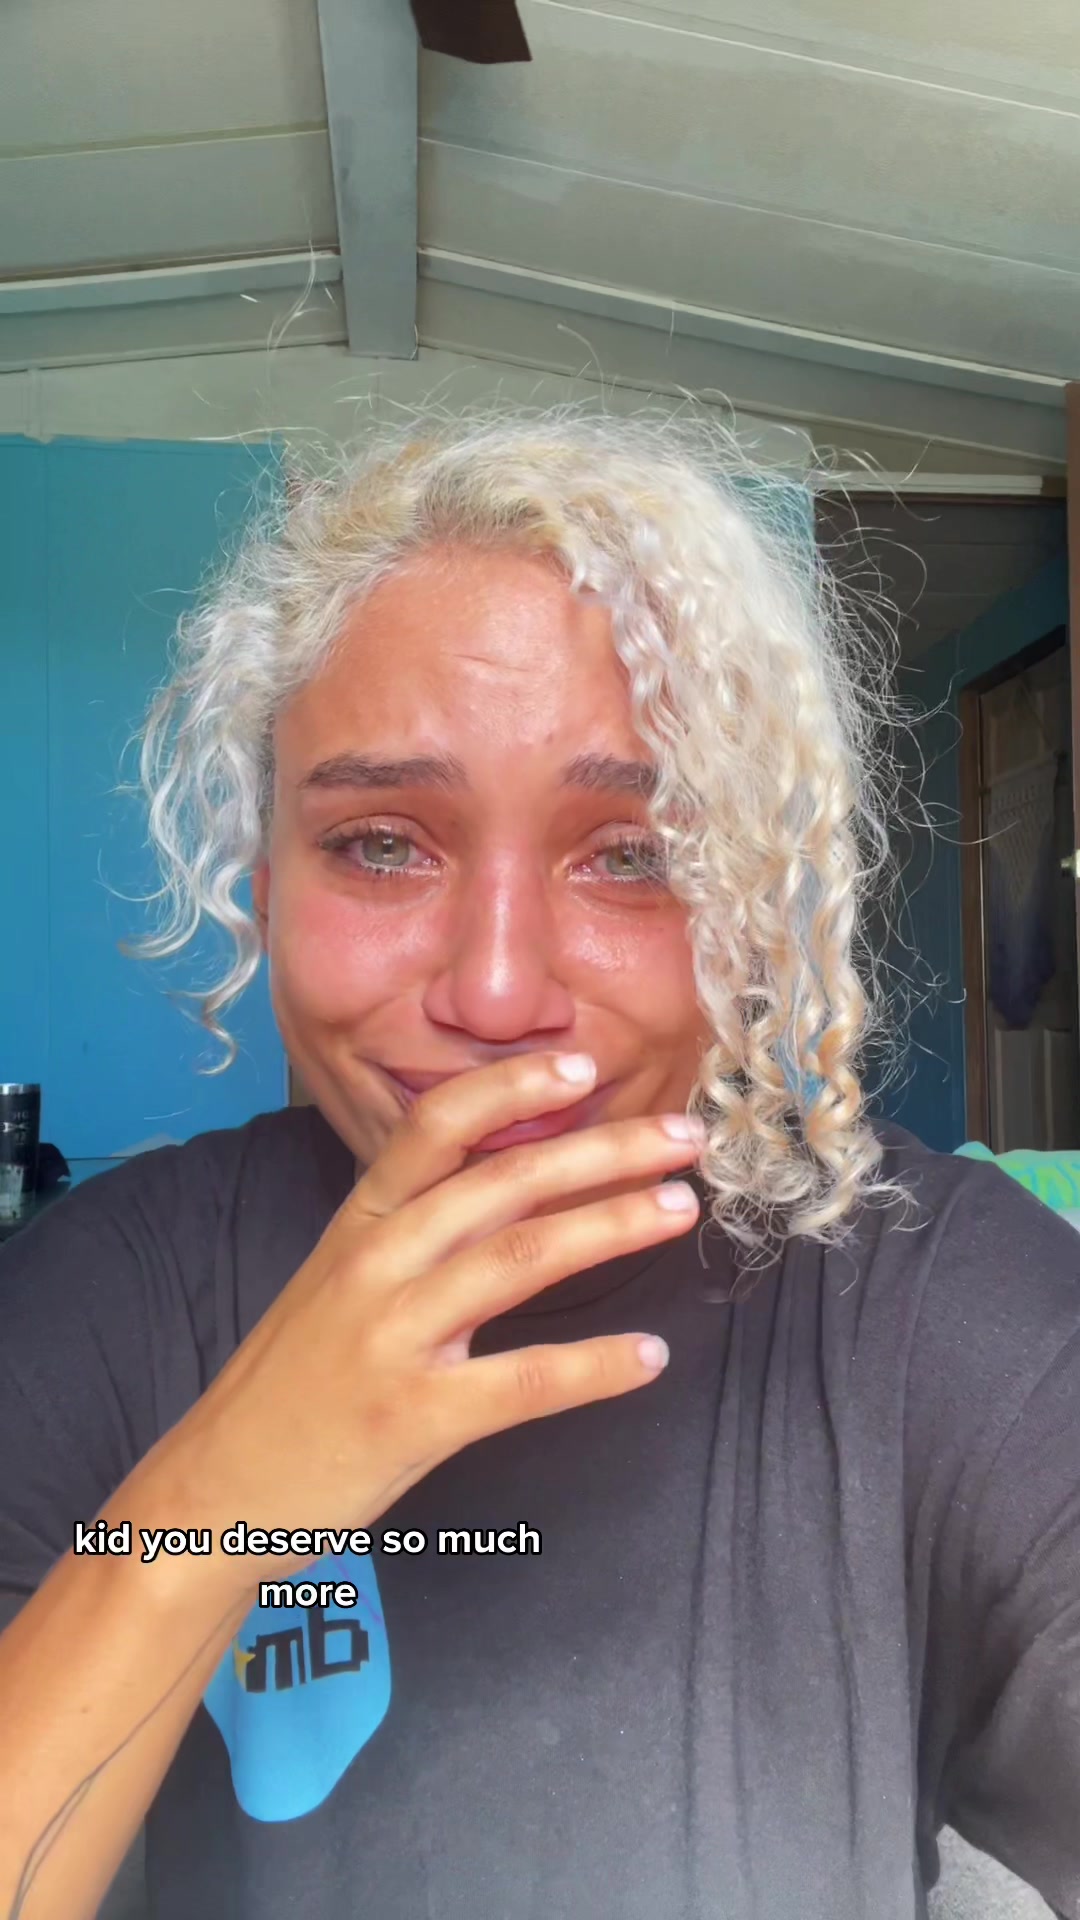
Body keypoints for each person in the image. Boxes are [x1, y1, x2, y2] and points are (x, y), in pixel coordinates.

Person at [1, 402, 1078, 1920]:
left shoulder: (946, 1314)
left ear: (747, 914)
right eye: (384, 843)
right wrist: (239, 1485)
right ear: (264, 881)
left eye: (633, 857)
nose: (498, 995)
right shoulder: (99, 1304)